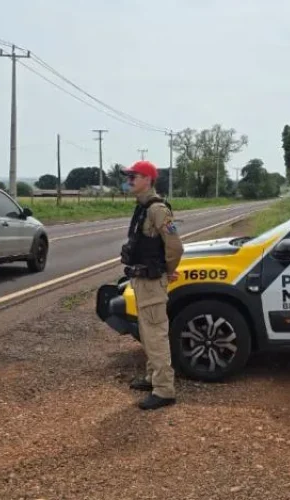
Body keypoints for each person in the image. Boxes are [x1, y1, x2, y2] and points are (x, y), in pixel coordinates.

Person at [120, 160, 184, 410]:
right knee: (147, 332)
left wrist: (167, 272)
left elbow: (175, 246)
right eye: (128, 176)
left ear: (147, 178)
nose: (129, 180)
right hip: (141, 280)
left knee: (155, 334)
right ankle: (152, 377)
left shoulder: (158, 210)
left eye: (133, 176)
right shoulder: (142, 207)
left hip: (152, 281)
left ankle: (164, 389)